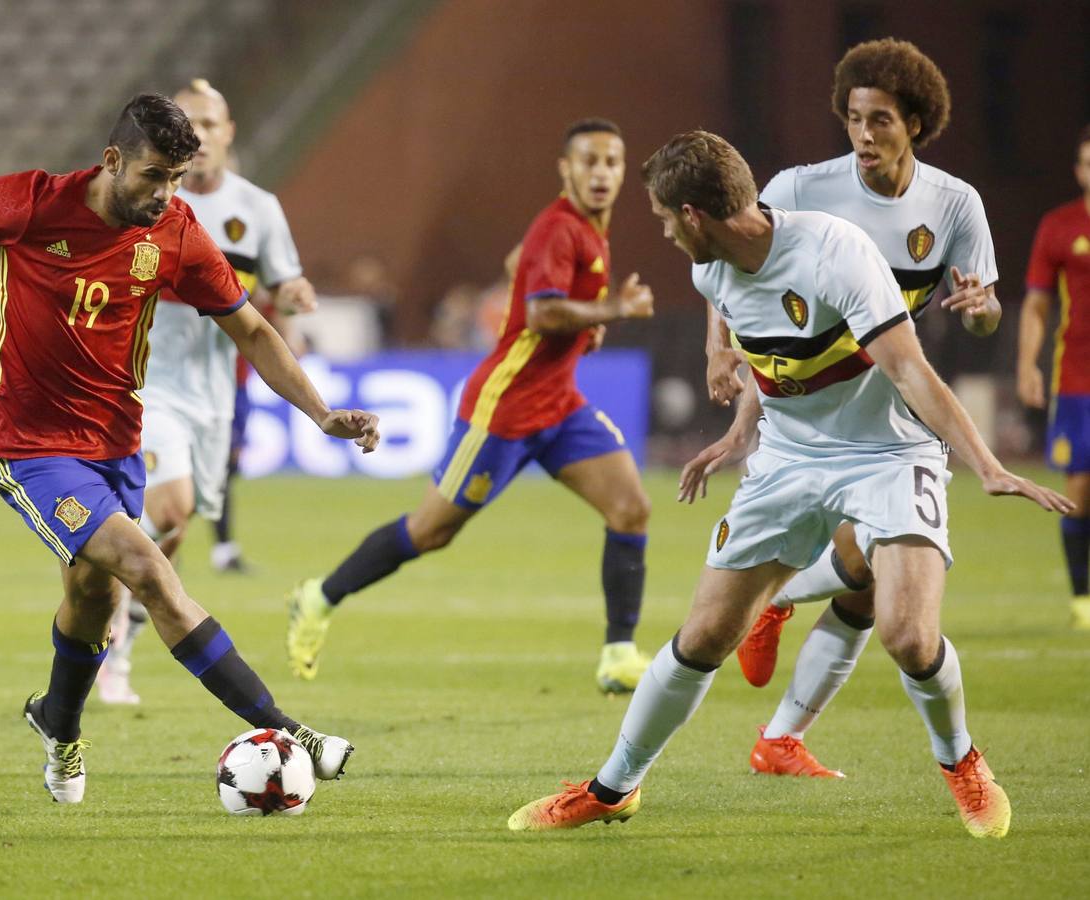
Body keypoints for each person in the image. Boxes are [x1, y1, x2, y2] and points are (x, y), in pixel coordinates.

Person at [0, 94, 379, 805]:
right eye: (153, 176)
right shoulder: (30, 204)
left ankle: (58, 725)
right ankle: (292, 733)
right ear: (111, 161)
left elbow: (253, 331)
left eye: (177, 179)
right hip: (30, 448)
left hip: (115, 446)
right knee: (147, 567)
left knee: (92, 592)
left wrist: (321, 413)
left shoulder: (175, 232)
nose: (165, 195)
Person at [507, 130, 1072, 838]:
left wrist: (985, 465)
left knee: (906, 635)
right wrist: (739, 426)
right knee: (706, 632)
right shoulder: (712, 272)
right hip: (788, 460)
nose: (661, 234)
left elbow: (907, 369)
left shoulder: (834, 252)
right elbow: (768, 355)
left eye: (661, 219)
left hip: (887, 452)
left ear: (693, 216)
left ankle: (960, 760)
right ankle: (612, 787)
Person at [696, 38, 1003, 777]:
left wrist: (981, 309)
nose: (864, 135)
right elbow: (730, 266)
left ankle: (780, 729)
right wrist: (720, 350)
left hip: (889, 419)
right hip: (808, 417)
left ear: (917, 124)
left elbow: (983, 313)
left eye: (882, 121)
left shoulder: (955, 205)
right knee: (868, 582)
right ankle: (772, 622)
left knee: (874, 591)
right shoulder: (800, 188)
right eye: (854, 119)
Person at [286, 118, 658, 693]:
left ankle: (618, 654)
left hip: (559, 405)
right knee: (431, 531)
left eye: (612, 162)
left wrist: (586, 325)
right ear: (566, 169)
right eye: (589, 161)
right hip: (503, 410)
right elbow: (541, 314)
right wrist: (610, 312)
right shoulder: (557, 229)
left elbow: (518, 269)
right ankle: (318, 596)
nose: (602, 173)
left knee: (631, 507)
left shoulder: (587, 228)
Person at [97, 80, 317, 705]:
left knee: (174, 525)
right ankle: (111, 644)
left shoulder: (259, 208)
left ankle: (122, 615)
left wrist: (294, 293)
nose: (202, 134)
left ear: (227, 132)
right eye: (189, 122)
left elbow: (280, 282)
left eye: (211, 122)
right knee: (169, 509)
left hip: (216, 393)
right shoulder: (143, 200)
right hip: (143, 382)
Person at [1018, 125, 1090, 630]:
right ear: (1078, 170)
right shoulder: (1060, 226)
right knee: (1079, 489)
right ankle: (1083, 598)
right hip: (1077, 381)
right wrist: (1026, 364)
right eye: (1088, 162)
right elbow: (1038, 305)